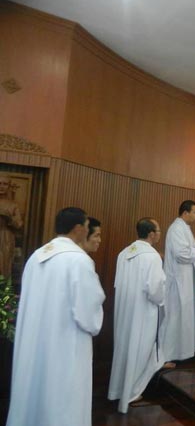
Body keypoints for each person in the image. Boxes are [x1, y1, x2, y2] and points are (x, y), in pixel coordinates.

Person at [6, 207, 105, 426]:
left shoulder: (37, 256)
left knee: (35, 392)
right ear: (78, 229)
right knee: (62, 398)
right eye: (87, 227)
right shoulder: (79, 260)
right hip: (65, 345)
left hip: (34, 343)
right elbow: (89, 312)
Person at [108, 218, 167, 413]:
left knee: (125, 347)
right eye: (158, 231)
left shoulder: (124, 253)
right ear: (151, 234)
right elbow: (155, 290)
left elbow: (118, 283)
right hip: (143, 311)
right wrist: (163, 299)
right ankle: (132, 392)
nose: (160, 234)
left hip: (125, 309)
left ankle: (118, 389)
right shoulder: (152, 256)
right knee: (140, 348)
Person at [162, 200, 195, 362]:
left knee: (185, 317)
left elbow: (186, 251)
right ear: (185, 213)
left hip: (185, 281)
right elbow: (181, 254)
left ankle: (184, 351)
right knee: (175, 318)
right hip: (178, 282)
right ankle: (170, 354)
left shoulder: (184, 228)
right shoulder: (176, 229)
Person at [0, 173, 23, 277]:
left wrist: (9, 218)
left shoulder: (13, 205)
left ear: (9, 186)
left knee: (4, 265)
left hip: (6, 237)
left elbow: (19, 224)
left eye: (5, 184)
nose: (2, 186)